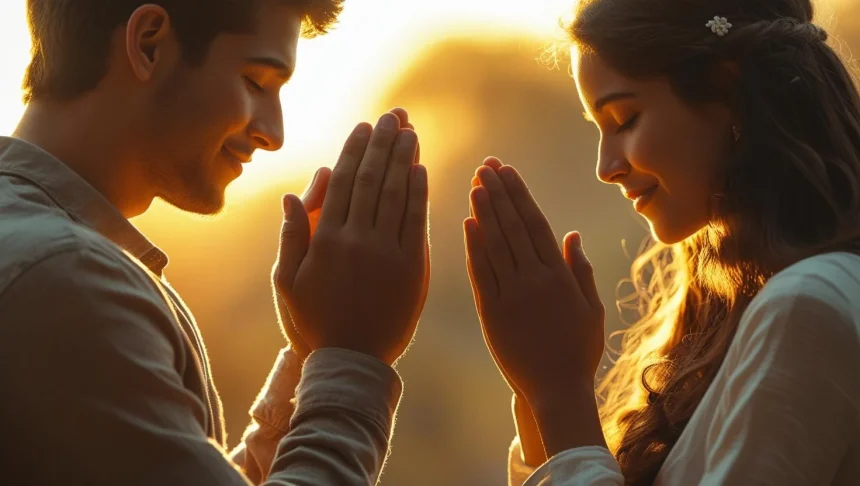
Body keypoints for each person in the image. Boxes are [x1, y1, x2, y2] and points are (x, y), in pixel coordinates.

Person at [0, 0, 430, 484]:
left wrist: (314, 352)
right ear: (149, 43)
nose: (274, 134)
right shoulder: (65, 280)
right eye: (256, 82)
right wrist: (355, 354)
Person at [464, 0, 860, 484]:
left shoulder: (809, 307)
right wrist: (535, 392)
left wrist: (560, 391)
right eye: (599, 129)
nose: (606, 167)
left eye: (625, 119)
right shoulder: (736, 304)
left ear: (726, 88)